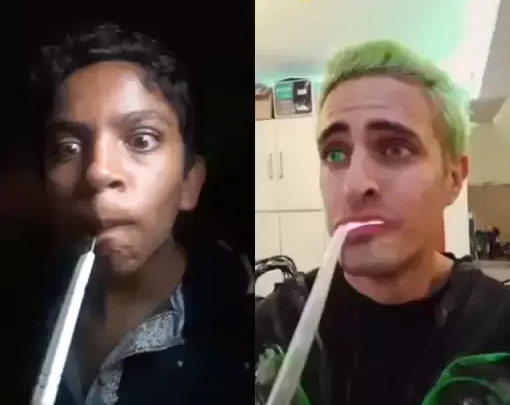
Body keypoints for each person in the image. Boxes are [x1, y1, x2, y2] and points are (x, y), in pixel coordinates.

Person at [255, 40, 510, 405]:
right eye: (335, 154)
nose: (354, 185)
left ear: (453, 177)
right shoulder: (272, 329)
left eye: (394, 148)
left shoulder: (497, 328)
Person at [27, 23, 252, 405]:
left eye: (141, 140)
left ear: (189, 182)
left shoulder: (247, 343)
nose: (98, 172)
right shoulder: (21, 309)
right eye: (67, 148)